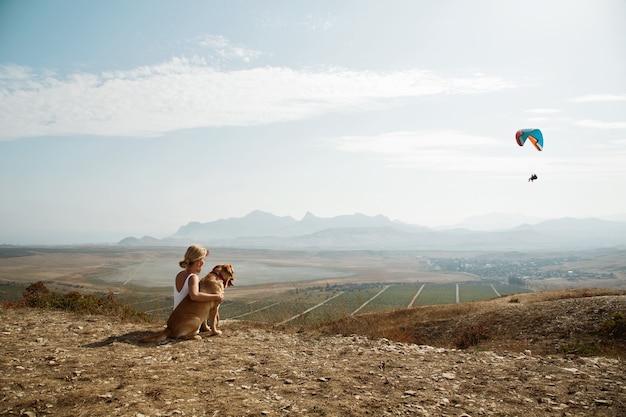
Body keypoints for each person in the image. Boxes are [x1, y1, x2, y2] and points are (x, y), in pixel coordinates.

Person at [174, 244, 224, 310]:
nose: (204, 262)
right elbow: (194, 296)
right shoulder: (192, 277)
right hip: (187, 318)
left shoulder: (180, 274)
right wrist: (217, 296)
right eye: (203, 259)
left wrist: (202, 254)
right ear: (199, 262)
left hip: (176, 316)